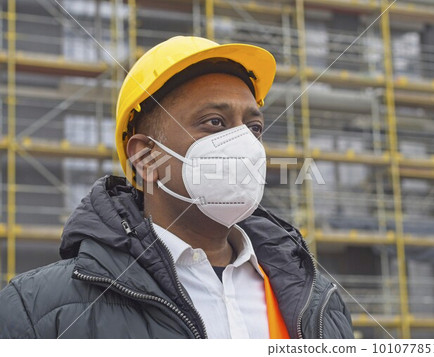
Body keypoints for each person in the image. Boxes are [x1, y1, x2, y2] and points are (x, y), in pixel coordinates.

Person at [0, 36, 353, 339]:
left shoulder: (320, 302)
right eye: (215, 123)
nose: (245, 143)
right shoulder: (39, 311)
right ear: (146, 157)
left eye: (254, 127)